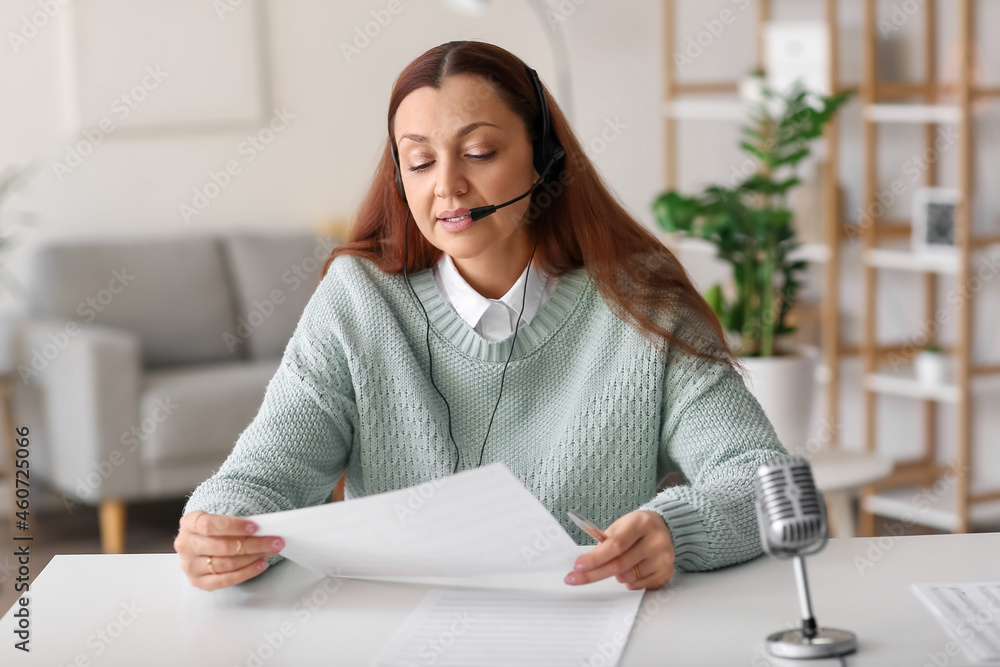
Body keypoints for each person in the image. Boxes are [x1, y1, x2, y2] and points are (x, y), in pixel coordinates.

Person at [174, 40, 787, 593]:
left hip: (585, 628)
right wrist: (215, 529)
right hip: (396, 633)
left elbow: (763, 480)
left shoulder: (643, 303)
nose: (448, 186)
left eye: (478, 152)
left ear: (544, 159)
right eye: (419, 162)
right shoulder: (356, 301)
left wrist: (673, 530)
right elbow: (263, 475)